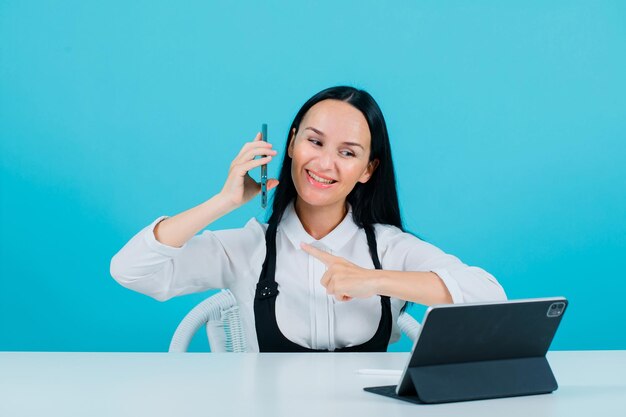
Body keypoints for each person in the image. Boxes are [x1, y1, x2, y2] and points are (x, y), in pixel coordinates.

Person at [110, 86, 506, 352]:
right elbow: (131, 271)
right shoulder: (248, 248)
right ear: (292, 143)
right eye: (314, 142)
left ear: (368, 169)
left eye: (348, 153)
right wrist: (224, 201)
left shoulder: (388, 247)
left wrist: (373, 280)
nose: (325, 163)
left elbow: (489, 295)